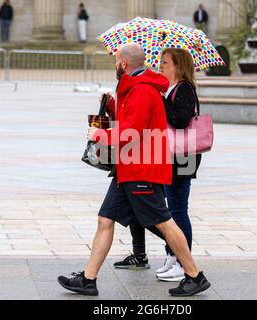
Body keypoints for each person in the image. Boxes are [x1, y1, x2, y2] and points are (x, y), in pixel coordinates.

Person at [58, 43, 211, 297]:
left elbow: (132, 132)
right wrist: (110, 107)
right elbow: (132, 120)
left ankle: (195, 275)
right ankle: (88, 279)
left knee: (164, 222)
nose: (115, 64)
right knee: (105, 219)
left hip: (142, 169)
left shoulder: (142, 90)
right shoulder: (136, 88)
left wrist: (101, 134)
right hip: (129, 168)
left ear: (124, 64)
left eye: (116, 60)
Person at [113, 48, 202, 282]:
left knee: (177, 210)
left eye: (165, 62)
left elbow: (181, 120)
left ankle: (183, 263)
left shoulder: (184, 89)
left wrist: (159, 101)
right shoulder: (170, 88)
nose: (160, 65)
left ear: (178, 66)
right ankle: (173, 258)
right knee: (170, 210)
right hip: (169, 155)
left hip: (182, 157)